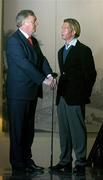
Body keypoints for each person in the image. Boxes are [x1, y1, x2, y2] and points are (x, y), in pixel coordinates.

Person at [6, 10, 56, 173]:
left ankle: (27, 161)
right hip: (18, 94)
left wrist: (49, 74)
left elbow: (41, 60)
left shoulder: (32, 40)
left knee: (28, 131)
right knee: (18, 130)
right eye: (34, 21)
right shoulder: (13, 41)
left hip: (30, 93)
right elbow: (25, 65)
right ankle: (18, 164)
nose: (36, 24)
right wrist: (44, 80)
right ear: (24, 23)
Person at [50, 18, 97, 174]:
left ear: (73, 31)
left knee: (77, 130)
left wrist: (82, 94)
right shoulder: (60, 51)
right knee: (64, 130)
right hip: (62, 96)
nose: (61, 30)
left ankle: (81, 162)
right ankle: (65, 162)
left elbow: (90, 75)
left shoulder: (84, 50)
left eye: (65, 28)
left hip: (76, 97)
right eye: (61, 28)